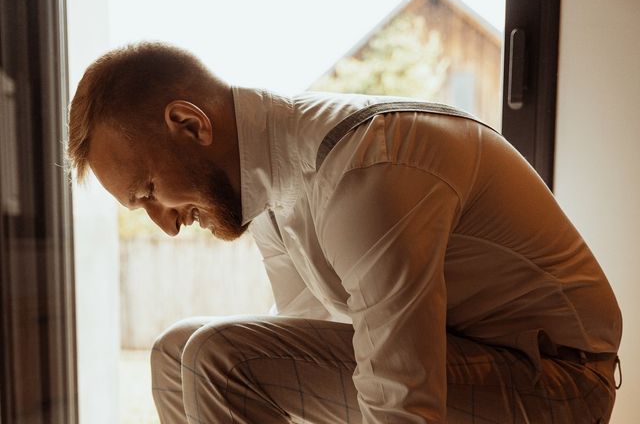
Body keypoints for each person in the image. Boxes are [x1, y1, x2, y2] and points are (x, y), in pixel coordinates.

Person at [67, 42, 622, 424]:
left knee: (219, 355)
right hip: (468, 362)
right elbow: (311, 350)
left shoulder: (367, 168)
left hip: (557, 382)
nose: (164, 223)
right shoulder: (270, 188)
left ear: (191, 124)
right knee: (176, 349)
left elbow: (404, 402)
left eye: (148, 192)